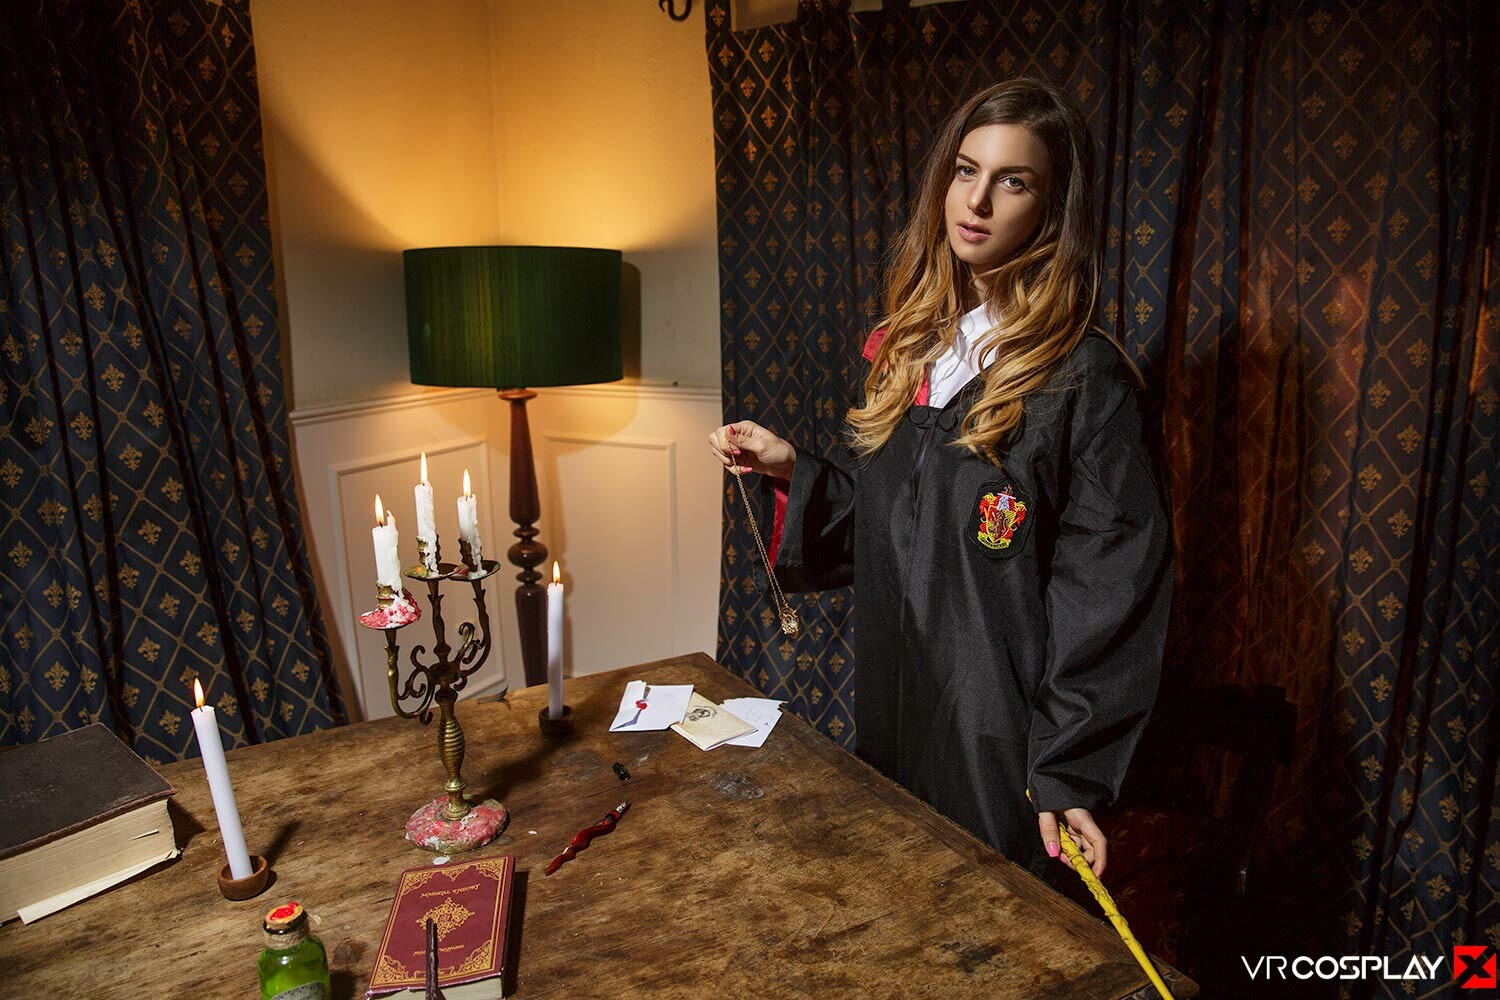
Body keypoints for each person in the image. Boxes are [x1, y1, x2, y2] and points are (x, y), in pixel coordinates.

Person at [707, 78, 1173, 880]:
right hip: (895, 706)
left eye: (1012, 181)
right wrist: (791, 469)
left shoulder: (1083, 380)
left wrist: (1067, 767)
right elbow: (905, 532)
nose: (978, 201)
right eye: (966, 171)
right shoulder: (916, 350)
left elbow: (1110, 593)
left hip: (997, 738)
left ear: (1052, 210)